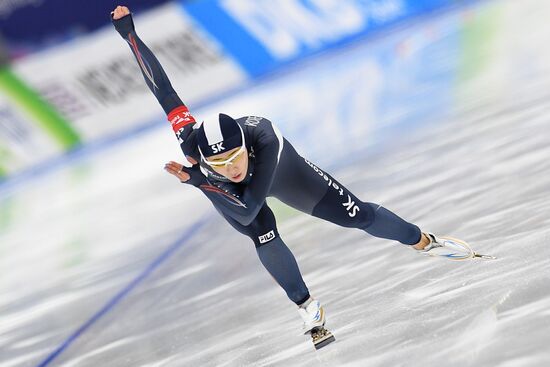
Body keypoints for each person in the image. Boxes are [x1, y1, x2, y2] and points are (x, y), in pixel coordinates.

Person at [111, 5, 445, 338]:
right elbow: (164, 92)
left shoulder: (266, 139)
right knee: (262, 232)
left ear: (246, 146)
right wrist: (131, 36)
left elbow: (250, 204)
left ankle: (423, 241)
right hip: (233, 195)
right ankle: (307, 306)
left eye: (234, 157)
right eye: (219, 163)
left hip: (283, 174)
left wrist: (198, 179)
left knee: (357, 216)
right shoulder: (191, 143)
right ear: (204, 156)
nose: (231, 167)